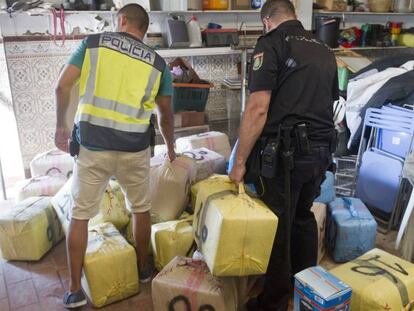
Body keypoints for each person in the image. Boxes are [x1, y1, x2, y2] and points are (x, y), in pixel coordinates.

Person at [54, 4, 175, 309]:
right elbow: (166, 116)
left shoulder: (93, 44)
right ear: (144, 29)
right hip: (134, 149)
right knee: (140, 209)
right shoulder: (158, 64)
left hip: (93, 146)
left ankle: (73, 290)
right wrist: (171, 147)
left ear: (121, 20)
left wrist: (61, 127)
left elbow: (62, 87)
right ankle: (144, 270)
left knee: (80, 215)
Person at [229, 1, 338, 310]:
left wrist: (239, 163)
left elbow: (258, 108)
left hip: (285, 154)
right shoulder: (323, 48)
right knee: (302, 218)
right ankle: (306, 290)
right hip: (319, 152)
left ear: (266, 21)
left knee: (277, 225)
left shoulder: (271, 44)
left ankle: (274, 302)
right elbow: (329, 104)